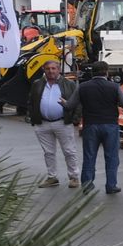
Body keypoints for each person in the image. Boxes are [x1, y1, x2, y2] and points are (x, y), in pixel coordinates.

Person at [72, 60, 123, 195]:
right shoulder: (114, 87)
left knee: (89, 156)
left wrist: (64, 103)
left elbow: (71, 104)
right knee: (111, 157)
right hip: (110, 125)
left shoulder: (83, 87)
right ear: (107, 72)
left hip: (90, 125)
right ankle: (111, 185)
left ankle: (87, 185)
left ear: (92, 72)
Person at [27, 59, 79, 188]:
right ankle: (52, 177)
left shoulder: (69, 84)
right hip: (42, 124)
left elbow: (78, 103)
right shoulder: (37, 84)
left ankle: (74, 177)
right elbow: (31, 101)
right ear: (44, 70)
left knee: (69, 151)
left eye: (53, 68)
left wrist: (75, 119)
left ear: (59, 69)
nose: (51, 71)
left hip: (63, 122)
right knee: (48, 152)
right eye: (48, 69)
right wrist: (32, 117)